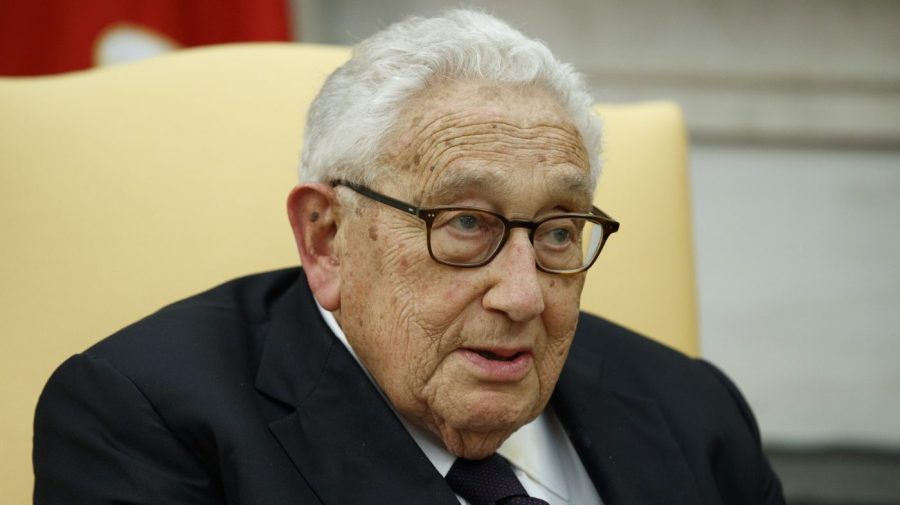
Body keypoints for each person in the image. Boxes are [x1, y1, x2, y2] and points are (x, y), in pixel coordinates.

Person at [33, 9, 785, 505]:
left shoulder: (694, 410)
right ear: (326, 237)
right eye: (464, 223)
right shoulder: (144, 420)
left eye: (558, 230)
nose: (523, 297)